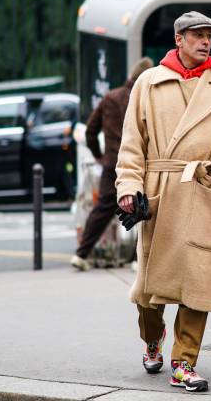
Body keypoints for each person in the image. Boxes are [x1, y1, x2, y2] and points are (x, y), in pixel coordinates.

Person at [115, 11, 211, 392]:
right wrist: (128, 185)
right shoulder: (149, 82)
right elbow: (132, 143)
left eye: (209, 35)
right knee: (149, 291)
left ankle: (184, 362)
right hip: (160, 190)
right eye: (197, 35)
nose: (205, 41)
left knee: (199, 282)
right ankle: (152, 338)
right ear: (179, 40)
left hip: (202, 188)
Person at [70, 57, 154, 271]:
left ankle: (81, 254)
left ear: (130, 76)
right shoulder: (146, 98)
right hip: (138, 163)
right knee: (143, 208)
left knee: (103, 209)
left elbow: (90, 131)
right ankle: (138, 259)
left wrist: (99, 155)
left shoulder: (110, 98)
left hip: (112, 163)